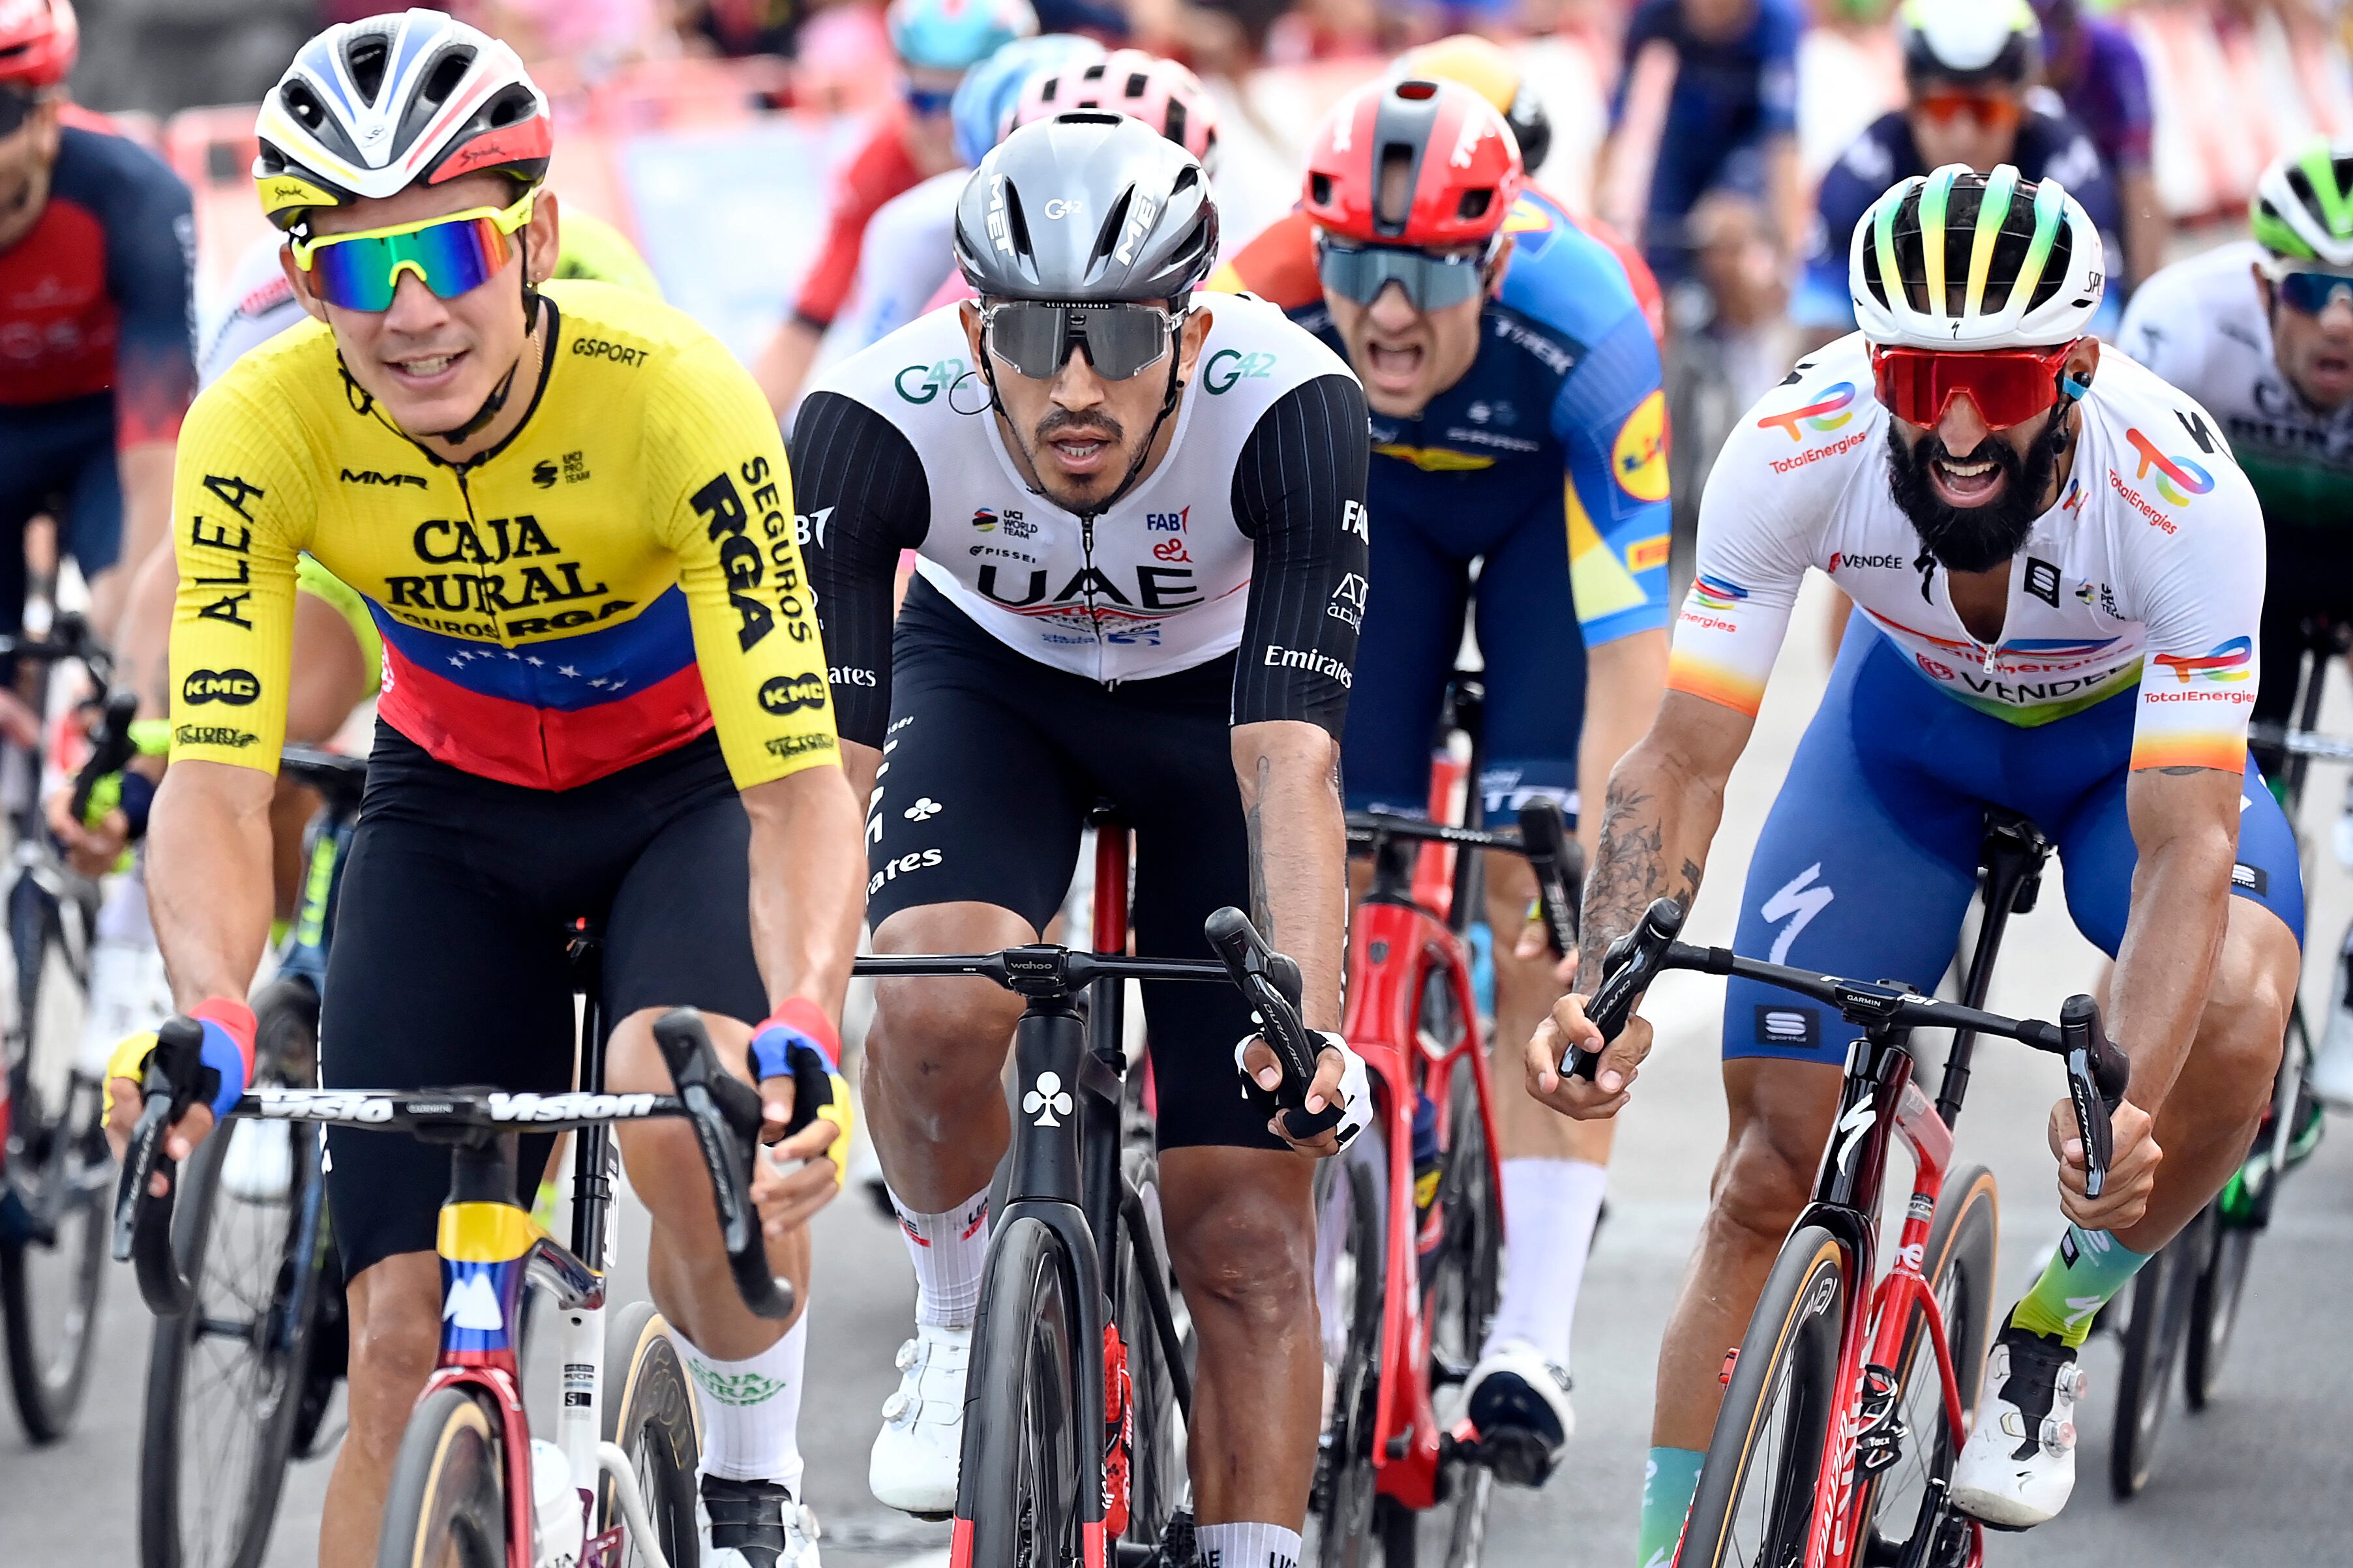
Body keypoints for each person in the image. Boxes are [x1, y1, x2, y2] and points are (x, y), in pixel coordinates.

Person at [100, 14, 865, 1567]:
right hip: (448, 812)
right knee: (393, 1346)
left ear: (536, 242)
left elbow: (793, 788)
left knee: (688, 1121)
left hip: (681, 798)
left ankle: (746, 1487)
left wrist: (802, 1023)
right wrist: (208, 1010)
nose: (408, 311)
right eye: (347, 267)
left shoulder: (675, 395)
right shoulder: (261, 423)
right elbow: (218, 775)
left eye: (445, 249)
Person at [1532, 166, 2302, 1558]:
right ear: (1872, 359)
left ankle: (2052, 1329)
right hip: (1904, 748)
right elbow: (1682, 756)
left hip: (2115, 763)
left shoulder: (2182, 493)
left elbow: (2188, 848)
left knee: (2242, 999)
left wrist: (2113, 1102)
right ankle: (1667, 1543)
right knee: (1767, 1169)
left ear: (2073, 369)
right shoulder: (1796, 437)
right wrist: (1604, 984)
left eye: (1999, 380)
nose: (1951, 421)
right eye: (1917, 371)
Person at [791, 113, 1373, 1562]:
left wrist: (1302, 1021)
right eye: (1033, 334)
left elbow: (1290, 758)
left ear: (1190, 325)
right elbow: (819, 779)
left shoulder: (1292, 403)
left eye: (1116, 334)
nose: (1072, 384)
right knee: (926, 1003)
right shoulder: (871, 418)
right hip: (991, 683)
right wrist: (789, 1027)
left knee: (1240, 1231)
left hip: (1212, 709)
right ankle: (949, 1309)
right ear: (971, 323)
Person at [1221, 74, 1672, 1481]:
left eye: (1424, 275)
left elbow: (1629, 669)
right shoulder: (1261, 291)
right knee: (1326, 856)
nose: (1385, 312)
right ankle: (1335, 1230)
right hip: (1380, 518)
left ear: (1493, 252)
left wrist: (1603, 893)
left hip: (1545, 520)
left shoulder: (1591, 331)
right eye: (1358, 270)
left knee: (1543, 909)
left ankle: (1527, 1333)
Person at [2122, 137, 2353, 1109]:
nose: (2341, 319)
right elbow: (2120, 517)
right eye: (2312, 291)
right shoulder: (2179, 324)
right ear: (2263, 291)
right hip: (2238, 545)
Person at [1209, 34, 1667, 348]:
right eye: (1360, 259)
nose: (1394, 312)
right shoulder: (1613, 273)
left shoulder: (1605, 277)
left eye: (1440, 256)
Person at [0, 0, 194, 654]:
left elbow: (156, 442)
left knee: (129, 621)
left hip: (104, 431)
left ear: (48, 121)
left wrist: (138, 647)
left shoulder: (134, 195)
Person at [751, 0, 1037, 420]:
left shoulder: (1039, 150)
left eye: (962, 102)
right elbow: (809, 321)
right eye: (923, 101)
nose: (942, 126)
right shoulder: (881, 161)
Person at [1793, 0, 2122, 350]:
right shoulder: (1866, 167)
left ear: (2024, 103)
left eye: (1987, 111)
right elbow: (1818, 329)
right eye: (1942, 108)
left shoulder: (2067, 164)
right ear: (1911, 100)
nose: (1963, 135)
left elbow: (2100, 337)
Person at [829, 31, 1107, 356]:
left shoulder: (912, 224)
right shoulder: (914, 227)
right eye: (926, 101)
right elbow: (873, 367)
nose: (938, 124)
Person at [1596, 0, 1808, 291]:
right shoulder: (1656, 12)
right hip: (1684, 139)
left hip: (1745, 144)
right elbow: (1617, 116)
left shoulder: (1777, 20)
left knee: (1725, 237)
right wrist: (1598, 206)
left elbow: (1782, 138)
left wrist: (1790, 255)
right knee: (1657, 261)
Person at [2032, 0, 2163, 293]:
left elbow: (2138, 179)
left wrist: (2144, 291)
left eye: (2054, 54)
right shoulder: (2018, 62)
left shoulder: (2116, 56)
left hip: (2106, 178)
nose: (2048, 70)